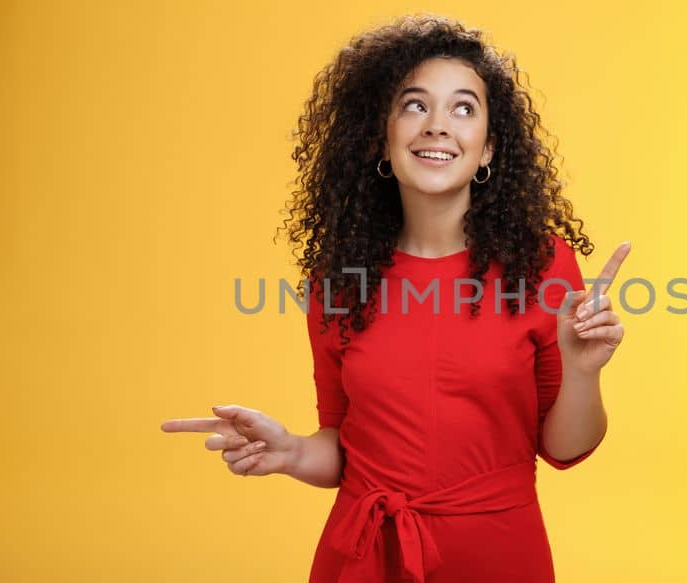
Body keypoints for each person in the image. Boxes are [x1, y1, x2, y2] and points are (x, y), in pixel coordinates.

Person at [162, 14, 630, 582]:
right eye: (414, 105)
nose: (437, 125)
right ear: (383, 139)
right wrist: (290, 452)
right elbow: (343, 444)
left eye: (463, 108)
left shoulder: (542, 264)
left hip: (499, 555)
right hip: (361, 555)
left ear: (487, 150)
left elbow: (565, 450)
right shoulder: (337, 279)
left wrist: (584, 373)